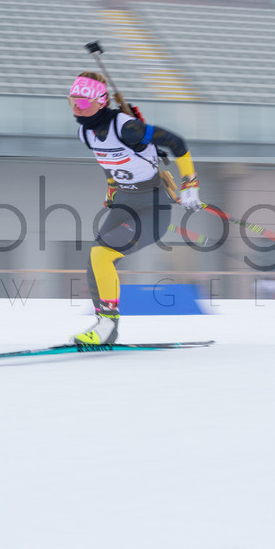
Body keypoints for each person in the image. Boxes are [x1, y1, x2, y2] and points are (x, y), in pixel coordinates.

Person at [69, 71, 202, 345]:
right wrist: (111, 187)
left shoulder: (127, 128)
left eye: (82, 102)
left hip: (152, 208)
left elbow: (176, 142)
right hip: (124, 202)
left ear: (100, 102)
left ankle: (107, 327)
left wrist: (190, 183)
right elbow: (108, 163)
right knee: (95, 259)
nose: (76, 108)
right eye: (71, 101)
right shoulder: (85, 133)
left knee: (101, 254)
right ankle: (105, 325)